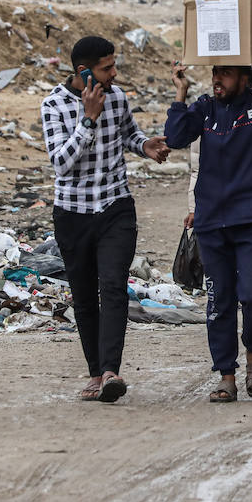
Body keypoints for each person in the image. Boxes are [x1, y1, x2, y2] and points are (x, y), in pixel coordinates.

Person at [164, 0, 252, 403]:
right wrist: (180, 96)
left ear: (244, 77)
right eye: (214, 71)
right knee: (218, 302)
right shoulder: (203, 109)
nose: (216, 79)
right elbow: (175, 137)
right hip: (211, 224)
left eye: (225, 73)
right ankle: (226, 375)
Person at [41, 36, 170, 403]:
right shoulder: (54, 106)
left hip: (115, 208)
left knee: (113, 285)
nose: (114, 74)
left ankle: (112, 371)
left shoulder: (118, 97)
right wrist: (88, 120)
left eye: (114, 66)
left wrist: (145, 146)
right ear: (84, 72)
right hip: (73, 214)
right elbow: (62, 164)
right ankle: (95, 374)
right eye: (106, 68)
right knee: (83, 296)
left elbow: (128, 134)